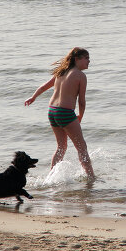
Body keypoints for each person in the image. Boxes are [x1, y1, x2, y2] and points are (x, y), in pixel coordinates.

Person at [24, 47, 95, 179]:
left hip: (52, 111)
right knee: (82, 148)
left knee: (61, 147)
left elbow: (44, 86)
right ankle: (91, 177)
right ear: (77, 59)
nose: (89, 61)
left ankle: (50, 177)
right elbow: (82, 101)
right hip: (65, 113)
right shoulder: (80, 76)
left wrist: (33, 97)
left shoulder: (61, 72)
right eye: (86, 58)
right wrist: (80, 115)